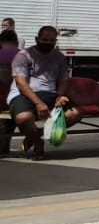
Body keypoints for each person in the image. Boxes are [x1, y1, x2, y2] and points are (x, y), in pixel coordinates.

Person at [9, 26, 78, 161]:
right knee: (23, 118)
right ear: (37, 39)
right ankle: (38, 142)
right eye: (45, 39)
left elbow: (63, 80)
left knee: (75, 113)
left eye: (52, 40)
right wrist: (38, 103)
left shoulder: (59, 57)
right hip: (23, 94)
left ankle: (34, 135)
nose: (48, 43)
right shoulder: (23, 55)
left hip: (50, 94)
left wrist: (59, 96)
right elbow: (21, 84)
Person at [0, 29, 19, 155]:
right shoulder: (23, 53)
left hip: (1, 97)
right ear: (16, 42)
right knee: (10, 119)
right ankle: (5, 145)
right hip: (16, 98)